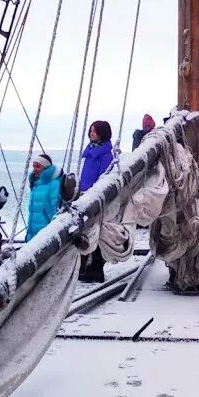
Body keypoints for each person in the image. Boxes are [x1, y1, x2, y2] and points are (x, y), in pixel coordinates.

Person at [78, 120, 114, 282]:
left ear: (102, 133)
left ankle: (96, 269)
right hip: (85, 196)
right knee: (84, 232)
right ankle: (83, 266)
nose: (92, 134)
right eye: (91, 131)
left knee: (97, 233)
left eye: (95, 131)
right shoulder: (90, 152)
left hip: (96, 198)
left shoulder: (105, 155)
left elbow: (104, 177)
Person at [26, 153, 62, 241]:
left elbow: (56, 210)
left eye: (37, 166)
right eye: (33, 166)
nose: (34, 169)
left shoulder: (54, 184)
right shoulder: (36, 184)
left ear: (45, 168)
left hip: (45, 235)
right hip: (33, 234)